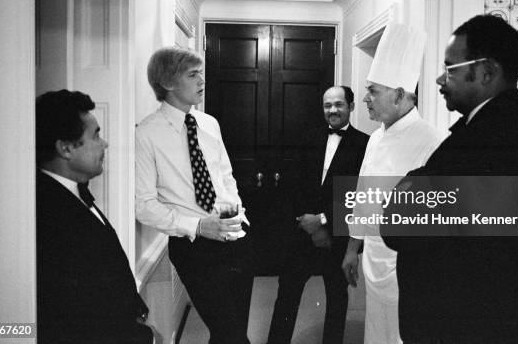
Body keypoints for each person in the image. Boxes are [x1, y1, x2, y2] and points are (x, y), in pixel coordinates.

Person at [382, 14, 518, 344]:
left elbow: (399, 225)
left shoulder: (501, 140)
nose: (440, 80)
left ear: (486, 72)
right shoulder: (488, 131)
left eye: (451, 68)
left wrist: (411, 183)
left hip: (466, 327)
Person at [135, 46, 253, 344]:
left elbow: (225, 175)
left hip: (235, 239)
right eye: (193, 74)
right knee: (232, 334)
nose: (202, 80)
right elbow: (143, 205)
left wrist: (238, 213)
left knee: (230, 330)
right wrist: (199, 226)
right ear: (168, 82)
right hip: (194, 247)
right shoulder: (145, 134)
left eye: (201, 73)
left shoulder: (209, 123)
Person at [341, 23, 446, 344]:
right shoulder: (375, 138)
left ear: (400, 95)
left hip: (408, 266)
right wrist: (351, 249)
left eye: (373, 91)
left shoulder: (434, 141)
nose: (365, 99)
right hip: (373, 257)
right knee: (375, 332)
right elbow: (363, 195)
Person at [36, 90, 153, 344]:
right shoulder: (49, 215)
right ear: (66, 148)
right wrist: (143, 338)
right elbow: (75, 314)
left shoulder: (73, 191)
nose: (105, 143)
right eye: (96, 135)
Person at [267, 86, 369, 344]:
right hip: (301, 235)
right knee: (286, 297)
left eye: (338, 104)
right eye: (327, 105)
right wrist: (307, 222)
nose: (332, 110)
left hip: (337, 238)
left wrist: (323, 221)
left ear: (351, 106)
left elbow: (359, 195)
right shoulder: (308, 138)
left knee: (337, 299)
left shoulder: (366, 145)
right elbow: (293, 185)